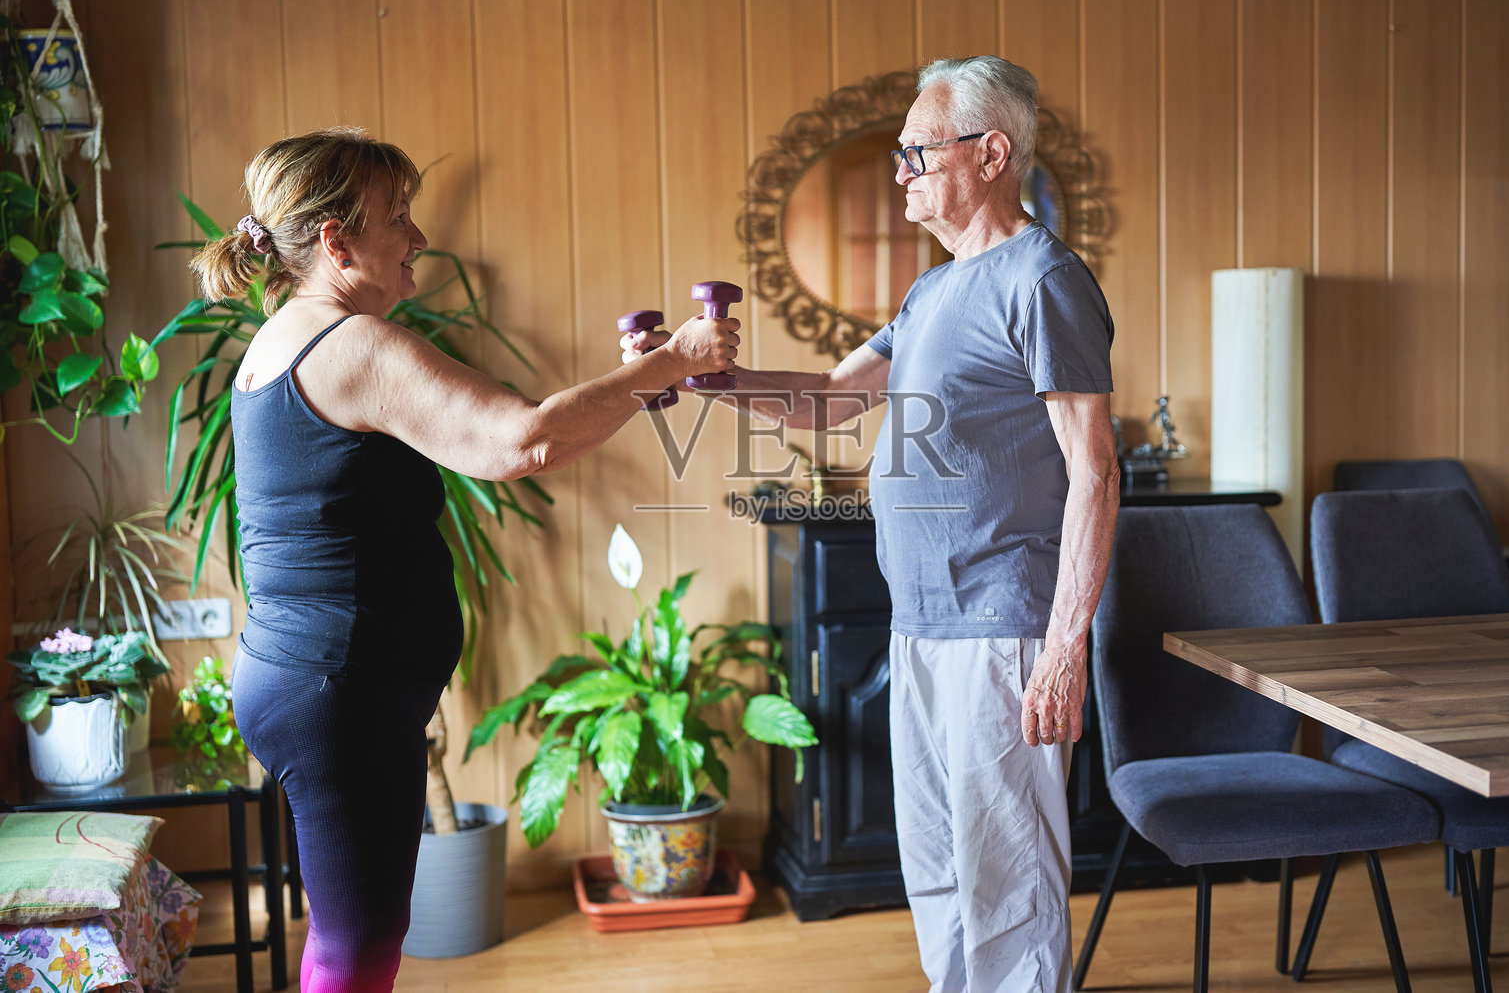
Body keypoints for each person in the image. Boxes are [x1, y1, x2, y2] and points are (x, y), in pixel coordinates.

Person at [191, 128, 737, 993]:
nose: (418, 237)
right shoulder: (354, 347)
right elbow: (521, 441)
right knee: (358, 946)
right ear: (336, 241)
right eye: (396, 217)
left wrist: (645, 381)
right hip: (337, 688)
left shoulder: (284, 338)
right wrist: (671, 362)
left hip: (316, 679)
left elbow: (521, 432)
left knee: (349, 935)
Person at [629, 56, 1119, 991]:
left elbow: (1094, 470)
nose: (900, 172)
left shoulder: (1042, 278)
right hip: (923, 624)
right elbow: (827, 400)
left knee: (1008, 883)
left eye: (917, 152)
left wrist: (1063, 649)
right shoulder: (931, 292)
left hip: (1002, 626)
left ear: (992, 152)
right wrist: (703, 376)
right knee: (937, 870)